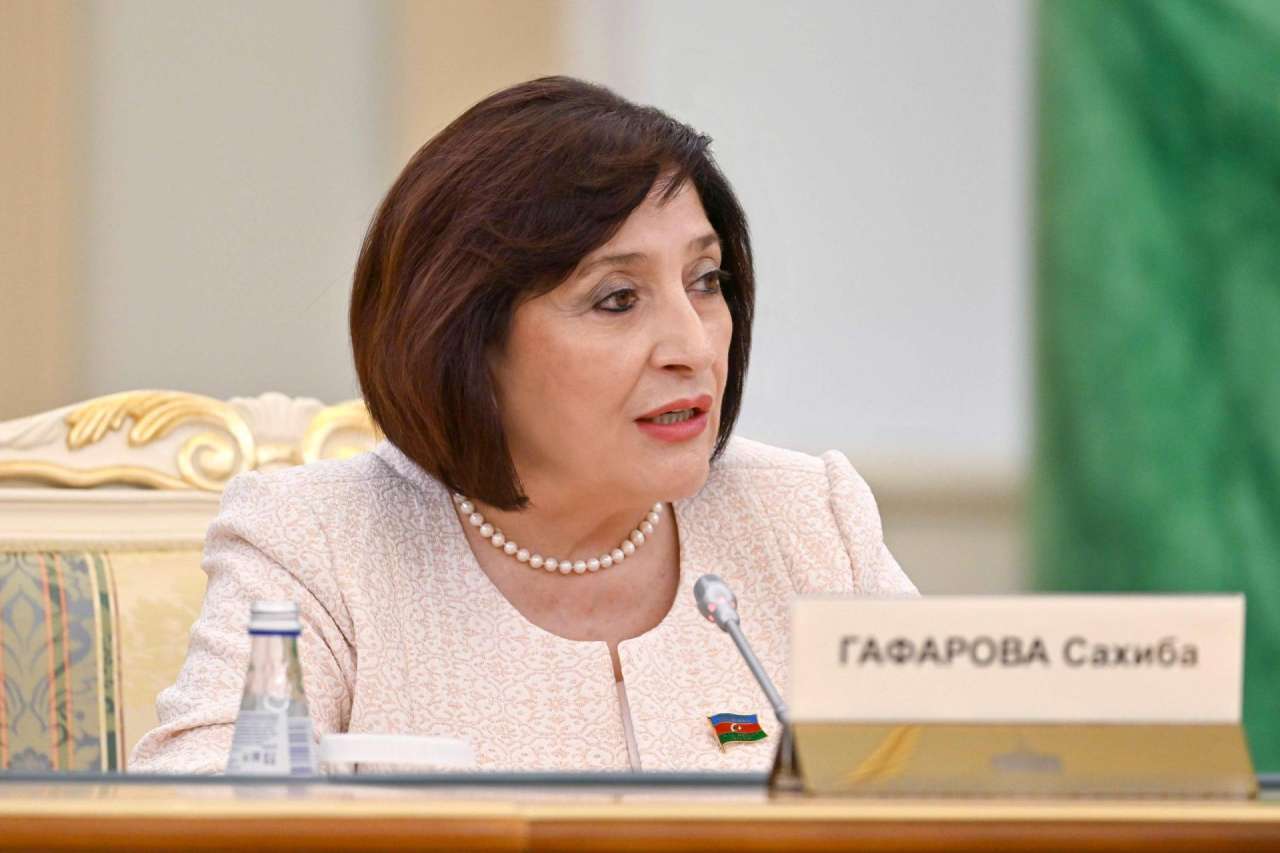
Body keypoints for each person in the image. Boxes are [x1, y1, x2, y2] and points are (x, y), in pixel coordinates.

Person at [130, 76, 916, 774]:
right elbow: (196, 812)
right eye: (617, 299)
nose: (694, 346)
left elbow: (958, 782)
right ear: (468, 339)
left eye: (705, 281)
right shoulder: (318, 546)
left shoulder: (807, 521)